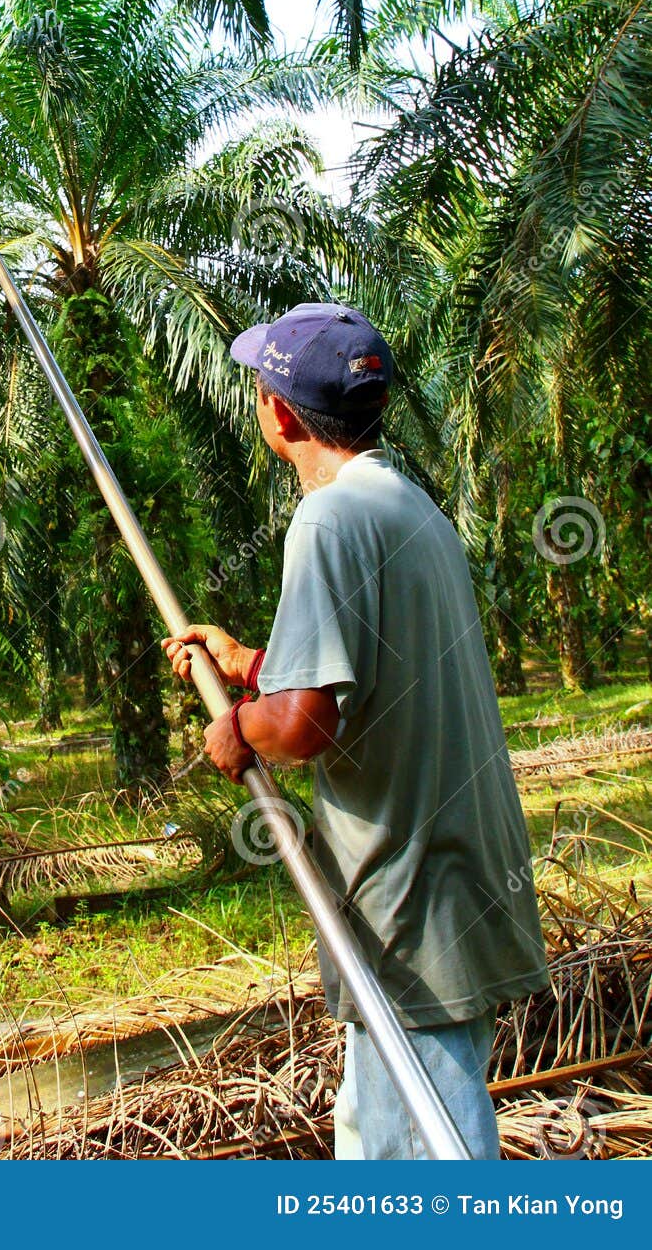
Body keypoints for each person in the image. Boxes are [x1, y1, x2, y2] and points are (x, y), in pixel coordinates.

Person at [163, 303, 548, 1160]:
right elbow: (374, 664)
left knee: (412, 1147)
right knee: (399, 1124)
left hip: (410, 893)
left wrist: (236, 727)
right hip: (449, 873)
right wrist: (252, 662)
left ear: (280, 413)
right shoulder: (407, 508)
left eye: (261, 387)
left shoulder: (328, 518)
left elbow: (303, 725)